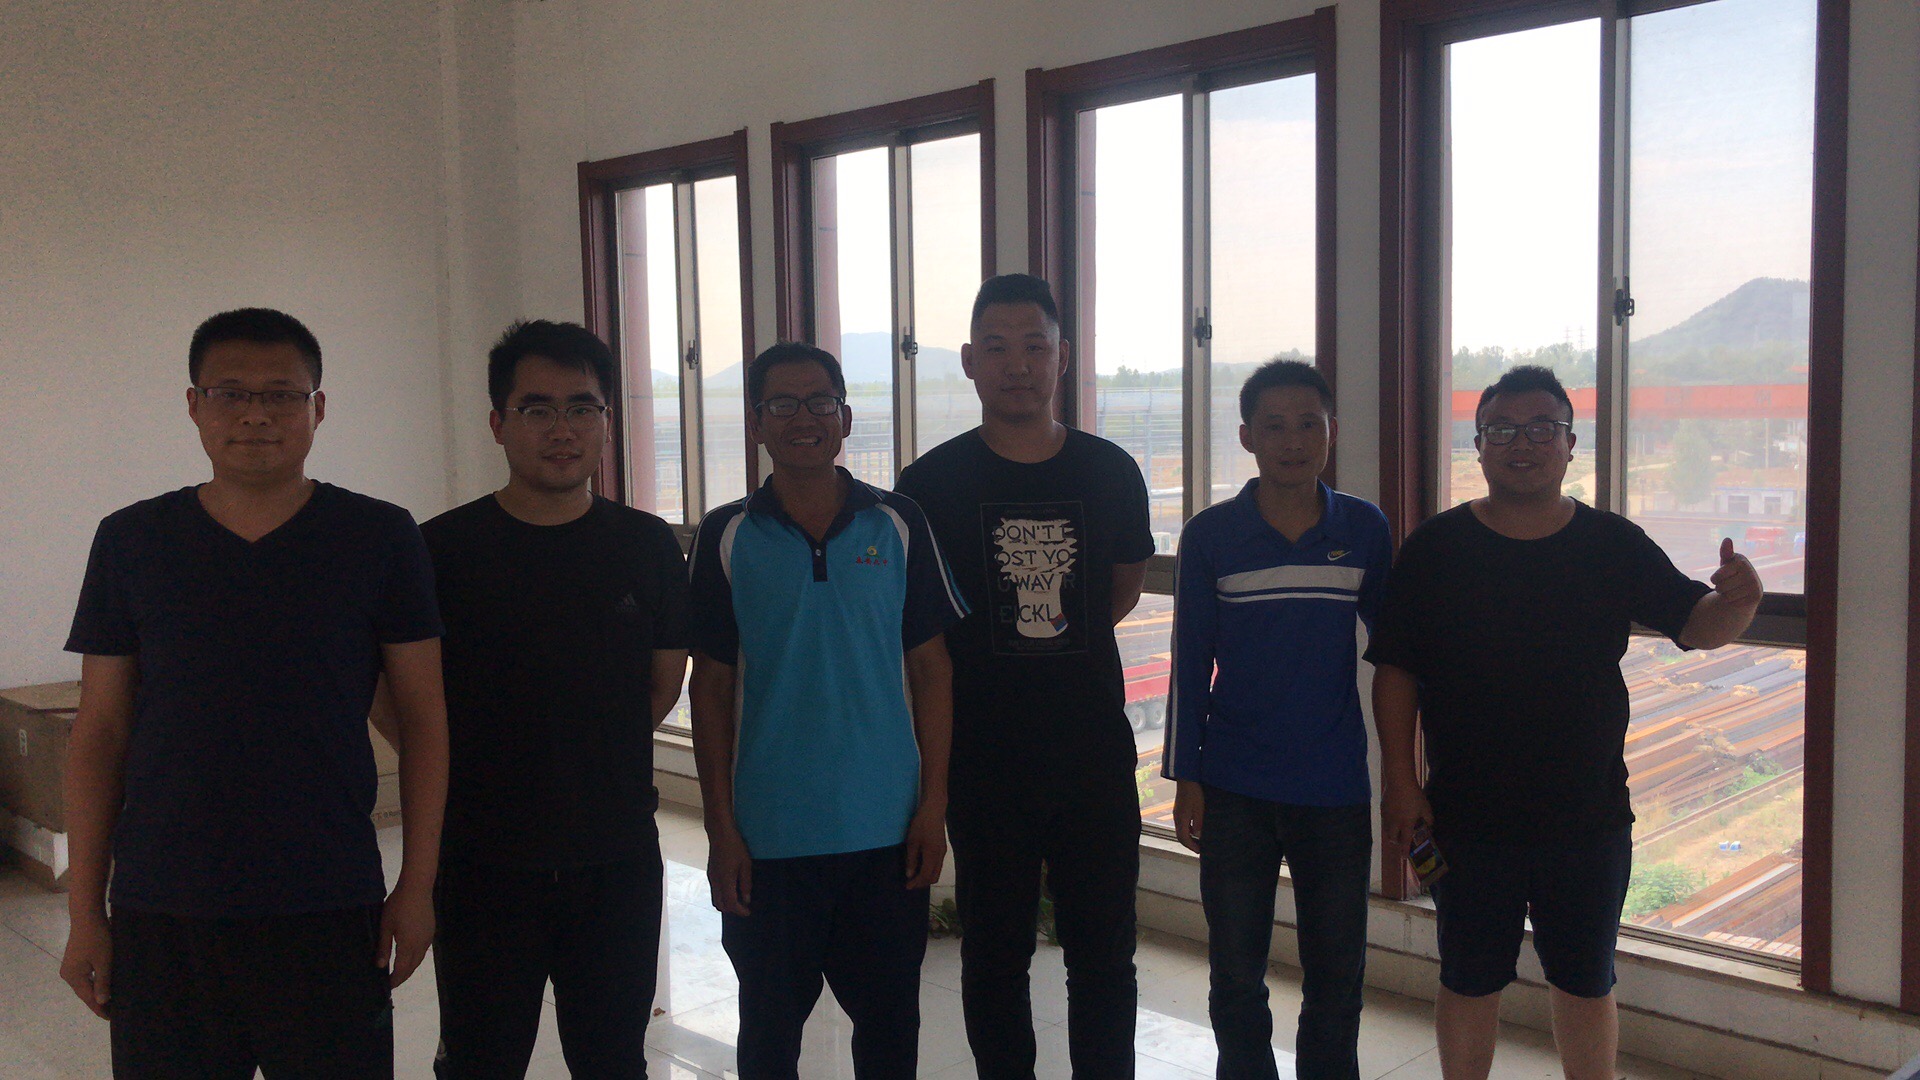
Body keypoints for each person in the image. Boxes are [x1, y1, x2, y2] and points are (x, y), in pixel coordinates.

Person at [59, 307, 449, 1079]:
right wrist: (84, 914)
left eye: (281, 395)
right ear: (194, 405)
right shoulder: (132, 540)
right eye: (231, 393)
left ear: (318, 408)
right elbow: (100, 732)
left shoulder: (378, 536)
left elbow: (425, 721)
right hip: (164, 904)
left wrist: (417, 887)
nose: (256, 415)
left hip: (328, 900)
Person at [1366, 365, 1763, 1080]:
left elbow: (1697, 623)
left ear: (1570, 443)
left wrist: (1741, 601)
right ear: (1478, 447)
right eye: (1502, 430)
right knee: (1468, 975)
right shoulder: (1437, 548)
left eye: (1542, 428)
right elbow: (1396, 670)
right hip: (1466, 816)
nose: (1523, 443)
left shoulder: (1612, 543)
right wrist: (1401, 781)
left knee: (1585, 978)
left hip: (1587, 815)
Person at [384, 320, 688, 1078]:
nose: (563, 429)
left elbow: (662, 683)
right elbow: (393, 696)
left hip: (614, 856)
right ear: (498, 423)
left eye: (583, 407)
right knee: (480, 1060)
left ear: (607, 423)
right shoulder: (438, 550)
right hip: (482, 860)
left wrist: (590, 750)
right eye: (537, 409)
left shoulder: (647, 544)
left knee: (613, 1058)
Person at [895, 274, 1154, 1079]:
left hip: (1091, 756)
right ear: (969, 361)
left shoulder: (1110, 471)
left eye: (1035, 346)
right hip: (985, 761)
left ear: (1062, 358)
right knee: (995, 954)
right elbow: (922, 638)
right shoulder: (928, 487)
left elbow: (1119, 589)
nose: (1018, 365)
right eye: (997, 348)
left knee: (1104, 955)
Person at [687, 342, 964, 1079]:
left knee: (889, 1035)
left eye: (819, 402)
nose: (803, 419)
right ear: (756, 422)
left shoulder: (899, 523)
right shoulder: (726, 534)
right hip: (768, 838)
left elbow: (932, 671)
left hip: (887, 834)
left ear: (845, 417)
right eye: (782, 403)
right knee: (769, 1037)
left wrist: (932, 808)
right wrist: (721, 829)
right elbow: (709, 689)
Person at [1163, 360, 1391, 1080]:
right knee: (1236, 975)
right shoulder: (1211, 536)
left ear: (1331, 432)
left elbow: (1398, 652)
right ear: (1247, 437)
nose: (1293, 441)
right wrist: (1186, 777)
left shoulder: (1364, 529)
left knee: (1337, 977)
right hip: (1234, 788)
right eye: (1274, 426)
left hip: (1334, 787)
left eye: (1308, 425)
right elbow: (1190, 660)